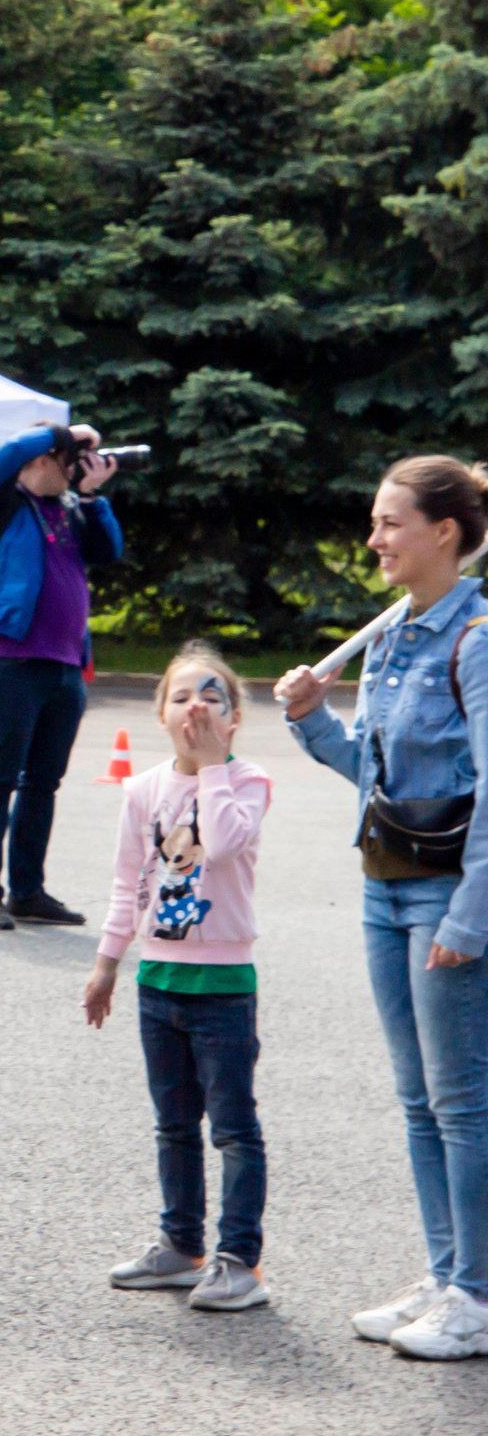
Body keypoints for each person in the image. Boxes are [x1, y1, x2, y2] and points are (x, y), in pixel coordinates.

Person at [275, 455, 488, 1361]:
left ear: (445, 531)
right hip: (383, 882)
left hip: (447, 892)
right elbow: (375, 770)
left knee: (463, 1100)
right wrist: (311, 720)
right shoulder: (394, 634)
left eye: (390, 523)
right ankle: (445, 1273)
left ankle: (477, 1292)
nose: (373, 539)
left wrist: (471, 916)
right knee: (418, 1098)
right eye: (374, 522)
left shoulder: (476, 639)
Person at [84, 644, 272, 1313]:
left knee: (233, 1128)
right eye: (182, 696)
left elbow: (221, 844)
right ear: (161, 713)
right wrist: (107, 964)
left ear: (234, 718)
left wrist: (213, 765)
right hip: (158, 980)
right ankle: (181, 1244)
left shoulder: (247, 782)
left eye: (213, 696)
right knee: (173, 1125)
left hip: (223, 986)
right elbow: (128, 883)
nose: (196, 706)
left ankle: (240, 1260)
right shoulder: (141, 791)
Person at [0, 422, 124, 931]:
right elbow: (11, 448)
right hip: (10, 661)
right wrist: (65, 432)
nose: (75, 468)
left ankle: (28, 892)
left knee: (43, 784)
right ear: (39, 460)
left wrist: (92, 496)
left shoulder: (71, 508)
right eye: (68, 459)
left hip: (65, 665)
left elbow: (109, 551)